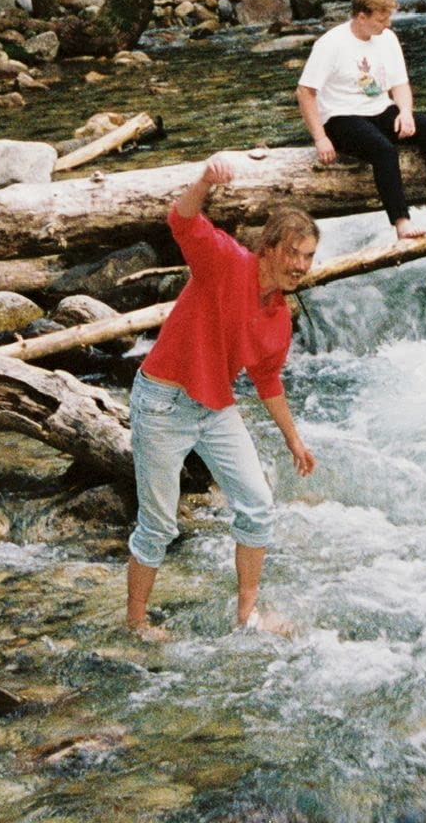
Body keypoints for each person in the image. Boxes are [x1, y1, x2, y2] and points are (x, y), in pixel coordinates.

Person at [125, 152, 318, 640]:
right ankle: (135, 623)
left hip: (213, 409)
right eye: (294, 253)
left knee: (256, 506)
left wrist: (294, 440)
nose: (300, 265)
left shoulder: (279, 316)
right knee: (159, 527)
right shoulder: (226, 262)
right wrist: (205, 179)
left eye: (309, 256)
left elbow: (268, 381)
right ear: (270, 248)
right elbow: (181, 219)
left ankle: (247, 615)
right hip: (162, 402)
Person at [297, 0, 426, 240]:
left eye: (388, 17)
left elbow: (400, 83)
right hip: (340, 117)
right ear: (361, 17)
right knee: (384, 151)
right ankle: (402, 222)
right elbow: (305, 92)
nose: (387, 24)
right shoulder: (331, 44)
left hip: (379, 109)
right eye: (381, 19)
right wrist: (320, 137)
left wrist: (405, 112)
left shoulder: (387, 38)